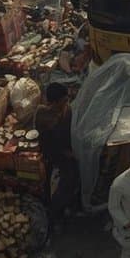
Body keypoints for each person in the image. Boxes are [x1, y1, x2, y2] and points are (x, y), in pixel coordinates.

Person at [36, 82, 78, 244]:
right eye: (62, 101)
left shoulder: (67, 110)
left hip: (68, 152)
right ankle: (55, 217)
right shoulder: (45, 117)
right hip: (55, 156)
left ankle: (67, 205)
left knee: (71, 182)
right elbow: (49, 145)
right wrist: (66, 153)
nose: (65, 103)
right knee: (56, 188)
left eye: (66, 100)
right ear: (52, 103)